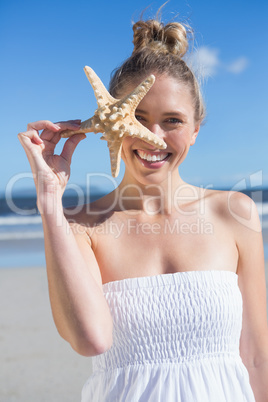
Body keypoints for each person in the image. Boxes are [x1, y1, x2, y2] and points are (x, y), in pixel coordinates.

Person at [18, 11, 268, 402]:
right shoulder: (83, 228)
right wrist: (50, 200)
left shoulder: (234, 214)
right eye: (136, 116)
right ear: (107, 125)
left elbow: (256, 359)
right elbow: (91, 340)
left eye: (172, 120)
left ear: (196, 129)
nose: (152, 137)